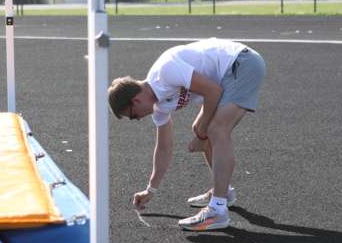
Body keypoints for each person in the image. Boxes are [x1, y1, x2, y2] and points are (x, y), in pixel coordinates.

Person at [108, 38, 266, 231]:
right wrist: (150, 190)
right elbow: (164, 148)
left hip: (241, 63)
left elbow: (213, 92)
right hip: (227, 76)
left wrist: (201, 136)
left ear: (135, 101)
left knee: (215, 130)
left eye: (133, 116)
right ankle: (224, 193)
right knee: (202, 128)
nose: (138, 119)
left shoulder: (165, 72)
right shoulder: (159, 107)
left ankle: (217, 210)